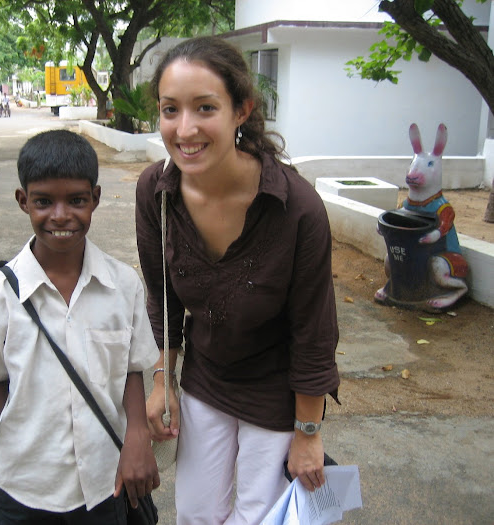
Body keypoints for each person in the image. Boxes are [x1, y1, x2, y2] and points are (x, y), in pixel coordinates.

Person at [135, 36, 340, 524]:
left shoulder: (297, 208)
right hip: (207, 380)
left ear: (241, 110)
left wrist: (308, 433)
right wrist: (164, 378)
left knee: (258, 518)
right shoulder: (157, 193)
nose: (185, 129)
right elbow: (162, 297)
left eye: (205, 107)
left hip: (276, 391)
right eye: (170, 109)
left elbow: (314, 331)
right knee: (196, 515)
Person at [0, 129, 160, 523]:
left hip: (104, 482)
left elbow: (130, 369)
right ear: (23, 201)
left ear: (95, 198)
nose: (60, 215)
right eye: (44, 201)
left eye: (76, 200)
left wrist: (137, 436)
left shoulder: (123, 285)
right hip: (23, 487)